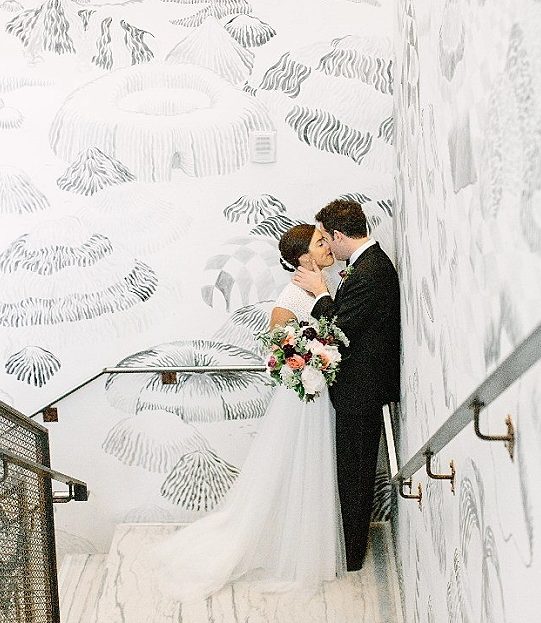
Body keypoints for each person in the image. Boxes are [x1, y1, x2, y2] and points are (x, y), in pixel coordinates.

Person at [139, 224, 346, 604]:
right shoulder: (291, 297)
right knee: (296, 466)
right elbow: (277, 354)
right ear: (304, 258)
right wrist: (311, 362)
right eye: (321, 243)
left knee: (311, 468)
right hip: (302, 400)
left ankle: (306, 542)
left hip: (319, 393)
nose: (328, 246)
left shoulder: (324, 285)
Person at [293, 199, 400, 572]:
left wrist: (321, 293)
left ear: (339, 235)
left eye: (325, 238)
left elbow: (338, 332)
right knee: (351, 474)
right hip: (358, 391)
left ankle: (352, 556)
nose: (325, 245)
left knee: (354, 478)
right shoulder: (367, 265)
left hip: (362, 393)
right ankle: (348, 547)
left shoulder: (370, 272)